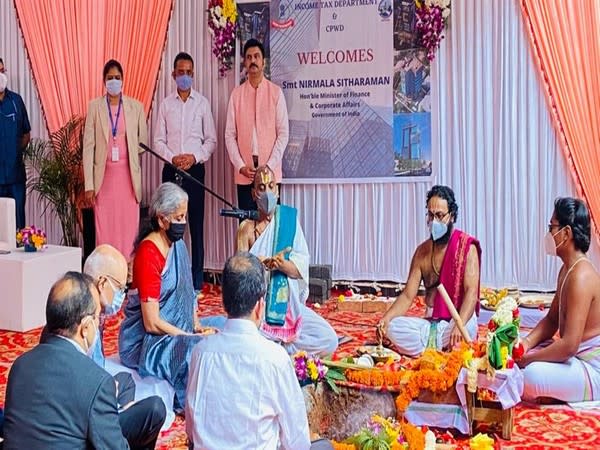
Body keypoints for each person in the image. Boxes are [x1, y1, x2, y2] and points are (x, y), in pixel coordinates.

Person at [186, 253, 333, 450]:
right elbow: (297, 442)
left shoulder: (200, 352)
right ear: (260, 306)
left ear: (223, 302)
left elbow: (191, 431)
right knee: (324, 447)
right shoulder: (275, 358)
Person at [119, 182, 225, 410]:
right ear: (161, 220)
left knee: (226, 325)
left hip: (177, 327)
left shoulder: (176, 245)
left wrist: (196, 325)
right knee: (192, 347)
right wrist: (188, 336)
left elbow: (187, 293)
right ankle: (194, 405)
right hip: (145, 341)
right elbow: (151, 322)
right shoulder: (148, 254)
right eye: (178, 218)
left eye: (184, 216)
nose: (183, 223)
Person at [3, 272, 129, 449]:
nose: (98, 324)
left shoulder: (20, 365)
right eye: (97, 317)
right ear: (85, 327)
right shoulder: (96, 381)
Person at [237, 166, 337, 355]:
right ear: (253, 193)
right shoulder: (246, 229)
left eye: (271, 186)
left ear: (277, 190)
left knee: (328, 340)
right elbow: (239, 277)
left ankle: (277, 350)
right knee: (246, 340)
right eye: (261, 187)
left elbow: (300, 269)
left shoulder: (288, 221)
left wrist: (282, 265)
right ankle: (276, 349)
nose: (267, 193)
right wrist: (258, 264)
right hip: (258, 308)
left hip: (288, 305)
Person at [378, 185, 481, 356]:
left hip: (458, 320)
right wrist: (386, 319)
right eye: (431, 215)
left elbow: (472, 293)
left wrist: (458, 324)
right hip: (430, 324)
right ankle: (440, 346)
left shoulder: (466, 248)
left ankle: (433, 346)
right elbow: (407, 295)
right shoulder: (422, 252)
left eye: (440, 216)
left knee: (468, 328)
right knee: (394, 327)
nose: (434, 221)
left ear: (452, 216)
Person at [81, 244, 167, 449]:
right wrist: (106, 393)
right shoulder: (84, 324)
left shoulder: (93, 313)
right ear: (102, 283)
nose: (122, 294)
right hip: (90, 415)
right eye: (120, 288)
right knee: (155, 409)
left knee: (125, 381)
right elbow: (81, 383)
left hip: (96, 394)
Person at [518, 197, 600, 403]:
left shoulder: (581, 276)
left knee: (530, 375)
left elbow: (569, 346)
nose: (549, 233)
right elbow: (552, 320)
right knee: (516, 339)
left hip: (591, 368)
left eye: (551, 227)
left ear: (566, 233)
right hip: (573, 359)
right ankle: (555, 392)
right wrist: (525, 344)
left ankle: (557, 393)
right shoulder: (567, 268)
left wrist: (526, 360)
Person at [154, 52, 216, 292]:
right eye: (181, 72)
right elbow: (158, 140)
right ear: (173, 75)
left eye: (189, 72)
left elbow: (210, 141)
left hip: (195, 171)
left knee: (195, 224)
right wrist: (173, 158)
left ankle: (197, 281)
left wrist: (193, 157)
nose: (185, 76)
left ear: (194, 74)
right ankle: (170, 279)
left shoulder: (202, 103)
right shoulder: (166, 105)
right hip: (171, 171)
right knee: (168, 225)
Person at [83, 59, 147, 259]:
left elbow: (142, 143)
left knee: (128, 229)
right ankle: (105, 270)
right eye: (110, 78)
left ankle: (127, 273)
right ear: (103, 81)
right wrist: (89, 185)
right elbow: (88, 148)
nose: (114, 82)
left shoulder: (135, 107)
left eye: (117, 78)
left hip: (128, 179)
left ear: (123, 80)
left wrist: (125, 148)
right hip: (104, 181)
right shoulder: (94, 107)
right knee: (106, 229)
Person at [225, 39, 289, 212]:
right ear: (245, 62)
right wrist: (240, 166)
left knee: (270, 227)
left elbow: (283, 134)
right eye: (249, 57)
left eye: (256, 56)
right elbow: (229, 135)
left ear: (263, 62)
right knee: (247, 226)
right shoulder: (236, 95)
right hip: (246, 174)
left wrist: (269, 166)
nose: (253, 61)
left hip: (270, 175)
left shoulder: (275, 93)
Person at [0, 58, 31, 230]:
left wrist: (14, 152)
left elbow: (26, 134)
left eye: (2, 71)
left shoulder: (16, 101)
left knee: (18, 228)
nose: (0, 75)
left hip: (15, 179)